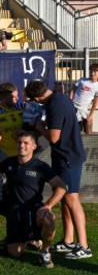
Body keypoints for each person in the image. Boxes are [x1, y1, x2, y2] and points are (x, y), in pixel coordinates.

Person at [24, 80, 92, 259]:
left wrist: (38, 126)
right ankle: (68, 241)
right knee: (65, 200)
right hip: (67, 156)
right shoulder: (60, 96)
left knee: (72, 199)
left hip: (67, 157)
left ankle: (84, 246)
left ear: (37, 98)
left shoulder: (54, 105)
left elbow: (54, 137)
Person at [0, 132, 67, 267]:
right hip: (15, 212)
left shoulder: (40, 166)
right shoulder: (9, 163)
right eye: (19, 142)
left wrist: (48, 206)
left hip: (34, 210)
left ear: (34, 146)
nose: (21, 146)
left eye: (26, 143)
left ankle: (45, 252)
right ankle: (26, 239)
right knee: (15, 253)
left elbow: (61, 187)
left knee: (49, 218)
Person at [0, 82, 26, 156]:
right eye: (13, 97)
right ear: (2, 97)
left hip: (26, 155)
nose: (18, 98)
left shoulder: (23, 107)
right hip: (4, 157)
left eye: (17, 95)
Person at [69, 63, 98, 134]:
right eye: (91, 71)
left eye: (95, 71)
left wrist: (90, 115)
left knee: (88, 125)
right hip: (74, 107)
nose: (93, 73)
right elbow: (72, 91)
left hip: (84, 109)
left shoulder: (97, 86)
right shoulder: (82, 80)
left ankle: (89, 144)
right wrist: (70, 103)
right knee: (75, 130)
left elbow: (95, 102)